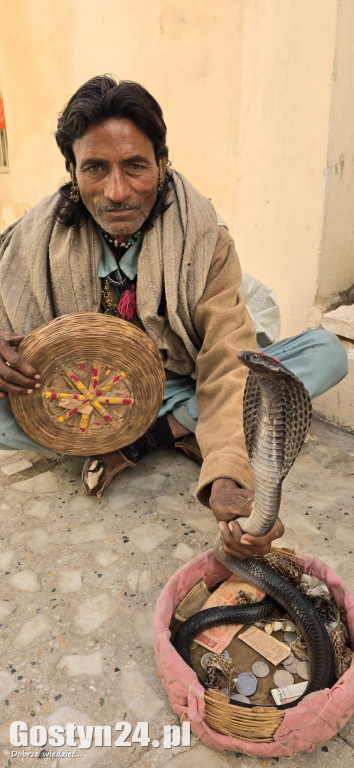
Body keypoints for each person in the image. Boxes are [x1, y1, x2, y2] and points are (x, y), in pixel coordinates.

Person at [0, 76, 348, 560]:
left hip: (184, 381)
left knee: (325, 353)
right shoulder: (35, 241)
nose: (117, 192)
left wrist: (227, 475)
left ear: (163, 165)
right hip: (94, 397)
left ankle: (141, 441)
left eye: (136, 167)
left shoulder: (204, 240)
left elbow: (227, 360)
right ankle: (171, 432)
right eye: (95, 168)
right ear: (72, 171)